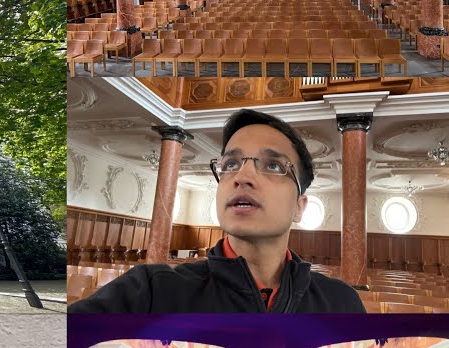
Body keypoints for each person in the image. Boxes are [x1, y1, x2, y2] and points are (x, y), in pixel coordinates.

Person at [72, 108, 367, 314]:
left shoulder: (341, 303)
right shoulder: (150, 292)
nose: (242, 176)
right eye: (230, 165)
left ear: (299, 207)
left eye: (274, 166)